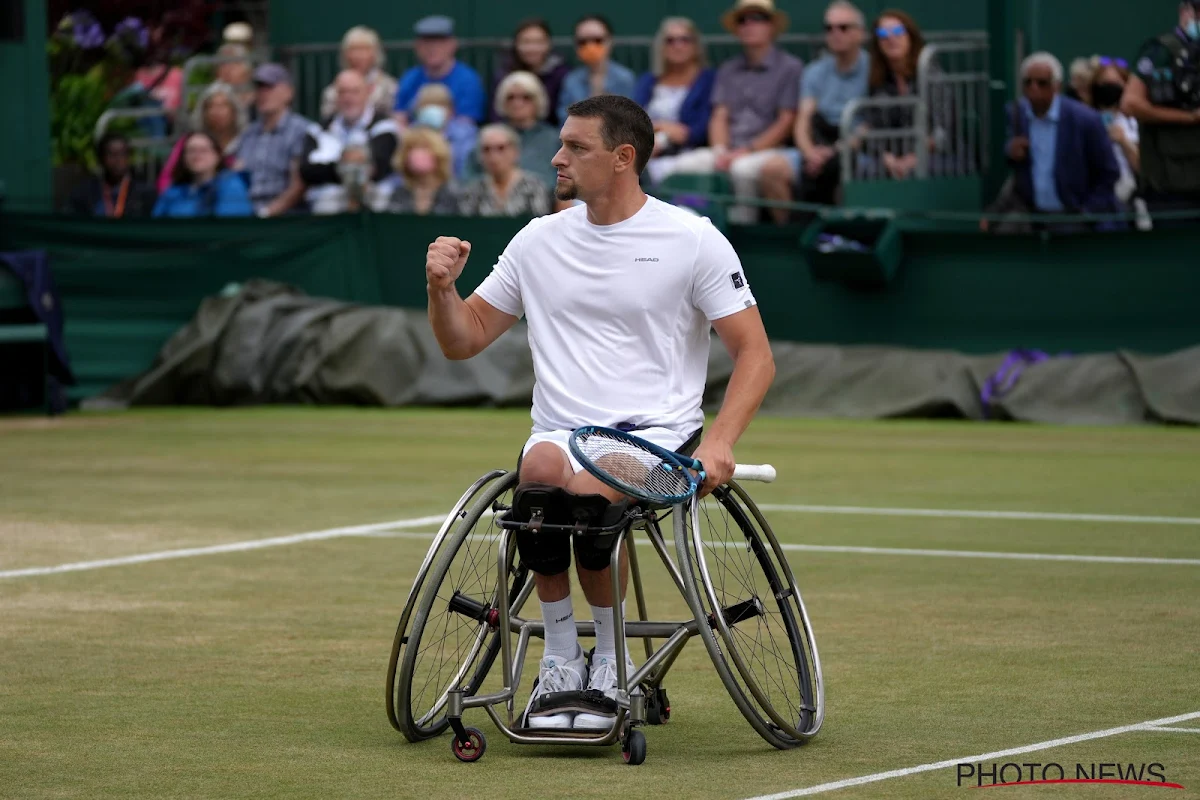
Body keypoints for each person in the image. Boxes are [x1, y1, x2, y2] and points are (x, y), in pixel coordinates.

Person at [423, 95, 774, 730]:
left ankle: (610, 660)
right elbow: (463, 338)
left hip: (657, 434)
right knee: (541, 476)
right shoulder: (537, 239)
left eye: (576, 147)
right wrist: (441, 289)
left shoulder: (692, 238)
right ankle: (561, 656)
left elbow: (755, 355)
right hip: (559, 430)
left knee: (587, 490)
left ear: (623, 158)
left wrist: (720, 441)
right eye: (560, 143)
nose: (557, 157)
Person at [661, 0, 803, 224]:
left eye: (757, 18)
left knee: (742, 169)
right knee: (683, 166)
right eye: (742, 19)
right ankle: (692, 229)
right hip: (729, 149)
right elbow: (720, 115)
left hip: (770, 151)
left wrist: (746, 151)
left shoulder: (790, 67)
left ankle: (743, 235)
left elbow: (786, 121)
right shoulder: (728, 68)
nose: (749, 24)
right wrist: (720, 150)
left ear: (771, 26)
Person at [758, 1, 869, 223]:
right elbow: (803, 120)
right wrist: (810, 153)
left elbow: (871, 124)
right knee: (771, 170)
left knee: (848, 174)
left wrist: (836, 151)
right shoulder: (815, 71)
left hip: (858, 150)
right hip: (818, 145)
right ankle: (793, 238)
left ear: (860, 33)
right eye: (829, 28)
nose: (835, 33)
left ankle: (843, 238)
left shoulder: (874, 68)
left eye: (844, 27)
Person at [986, 53, 1119, 231]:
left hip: (1075, 219)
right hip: (1033, 219)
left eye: (1042, 83)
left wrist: (1088, 213)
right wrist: (1010, 150)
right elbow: (1007, 156)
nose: (1034, 88)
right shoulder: (1015, 114)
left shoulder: (1086, 120)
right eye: (1028, 82)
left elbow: (1108, 173)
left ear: (1057, 86)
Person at [1121, 0, 1200, 217]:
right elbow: (1130, 103)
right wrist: (1189, 117)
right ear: (1185, 12)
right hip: (1172, 181)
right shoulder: (1162, 50)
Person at [854, 10, 954, 181]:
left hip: (933, 155)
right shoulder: (877, 80)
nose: (891, 38)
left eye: (898, 32)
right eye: (883, 33)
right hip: (890, 158)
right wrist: (887, 158)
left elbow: (943, 129)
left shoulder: (931, 74)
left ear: (911, 37)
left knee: (919, 172)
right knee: (864, 171)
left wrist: (913, 158)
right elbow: (873, 127)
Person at [300, 70, 400, 215]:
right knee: (326, 201)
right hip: (328, 204)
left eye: (354, 92)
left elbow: (380, 166)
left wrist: (335, 167)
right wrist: (347, 164)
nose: (348, 98)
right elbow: (307, 171)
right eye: (342, 92)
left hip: (372, 198)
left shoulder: (385, 126)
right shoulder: (317, 130)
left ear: (367, 93)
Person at [634, 17, 716, 186]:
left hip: (688, 154)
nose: (678, 46)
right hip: (647, 149)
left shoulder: (708, 80)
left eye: (685, 40)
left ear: (695, 46)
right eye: (670, 40)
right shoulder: (649, 80)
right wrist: (663, 127)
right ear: (662, 47)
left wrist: (667, 135)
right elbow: (633, 118)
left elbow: (699, 130)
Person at [229, 63, 316, 217]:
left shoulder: (302, 130)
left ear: (288, 93)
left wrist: (267, 213)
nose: (263, 94)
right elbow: (236, 176)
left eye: (270, 88)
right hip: (245, 214)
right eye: (259, 88)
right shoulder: (248, 134)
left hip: (286, 219)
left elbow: (300, 185)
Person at [470, 71, 560, 189]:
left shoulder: (554, 139)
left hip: (546, 203)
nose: (517, 103)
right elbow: (469, 178)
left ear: (538, 101)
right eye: (510, 97)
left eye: (526, 97)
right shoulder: (489, 137)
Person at [393, 16, 486, 126]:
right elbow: (399, 117)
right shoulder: (410, 78)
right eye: (426, 43)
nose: (432, 49)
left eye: (439, 43)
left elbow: (467, 123)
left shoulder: (468, 80)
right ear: (417, 47)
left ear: (452, 45)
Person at [158, 82, 245, 195]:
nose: (216, 111)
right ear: (203, 112)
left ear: (234, 111)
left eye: (223, 105)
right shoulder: (189, 141)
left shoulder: (248, 140)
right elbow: (166, 178)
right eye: (211, 106)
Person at [488, 18, 571, 127]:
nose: (532, 48)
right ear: (516, 44)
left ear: (548, 44)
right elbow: (495, 115)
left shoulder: (561, 75)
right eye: (526, 42)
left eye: (538, 42)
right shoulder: (504, 75)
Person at [557, 15, 638, 124]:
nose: (590, 46)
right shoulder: (571, 80)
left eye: (597, 40)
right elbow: (563, 118)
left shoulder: (625, 78)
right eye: (583, 42)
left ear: (610, 41)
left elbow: (632, 118)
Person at [459, 124, 552, 217]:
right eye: (486, 149)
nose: (493, 156)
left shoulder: (534, 187)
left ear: (515, 151)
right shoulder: (473, 191)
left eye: (501, 148)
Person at [153, 132, 253, 218]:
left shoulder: (231, 185)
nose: (197, 155)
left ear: (217, 156)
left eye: (203, 150)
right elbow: (156, 227)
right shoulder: (172, 192)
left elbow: (229, 227)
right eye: (191, 151)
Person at [66, 133, 157, 218]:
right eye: (112, 154)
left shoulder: (144, 194)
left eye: (123, 153)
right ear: (101, 158)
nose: (118, 160)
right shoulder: (84, 194)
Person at [319, 26, 399, 121]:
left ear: (375, 53)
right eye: (353, 50)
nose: (358, 55)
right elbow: (327, 117)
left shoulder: (389, 87)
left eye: (364, 49)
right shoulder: (332, 90)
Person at [1091, 58, 1141, 206]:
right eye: (1104, 84)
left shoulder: (1135, 121)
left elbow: (1142, 168)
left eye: (1114, 84)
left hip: (1131, 198)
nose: (1109, 89)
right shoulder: (1086, 119)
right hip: (1097, 199)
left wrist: (1123, 141)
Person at [411, 83, 478, 181]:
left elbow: (466, 169)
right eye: (427, 105)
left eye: (440, 105)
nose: (433, 110)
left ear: (451, 110)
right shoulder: (411, 134)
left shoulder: (466, 133)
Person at [387, 127, 460, 215]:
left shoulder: (454, 195)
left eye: (425, 147)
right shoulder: (398, 195)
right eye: (412, 148)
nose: (417, 153)